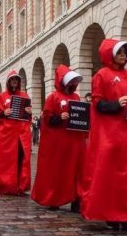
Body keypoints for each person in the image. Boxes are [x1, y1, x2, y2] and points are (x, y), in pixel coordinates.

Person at [81, 39, 127, 232]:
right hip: (111, 133)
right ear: (111, 54)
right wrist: (116, 104)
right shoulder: (101, 75)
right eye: (120, 52)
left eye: (125, 52)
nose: (123, 56)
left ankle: (126, 215)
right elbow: (98, 104)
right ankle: (109, 214)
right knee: (109, 174)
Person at [31, 65, 86, 212]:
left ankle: (76, 199)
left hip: (74, 142)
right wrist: (58, 117)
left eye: (73, 82)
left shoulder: (76, 97)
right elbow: (46, 118)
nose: (72, 84)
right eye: (70, 81)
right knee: (57, 171)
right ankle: (54, 199)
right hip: (58, 143)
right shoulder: (53, 97)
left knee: (75, 171)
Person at [0, 70, 32, 196]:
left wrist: (28, 112)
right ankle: (7, 184)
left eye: (16, 79)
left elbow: (27, 117)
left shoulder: (25, 96)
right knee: (7, 160)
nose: (14, 81)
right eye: (12, 79)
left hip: (21, 133)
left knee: (21, 157)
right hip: (7, 134)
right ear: (9, 82)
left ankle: (19, 185)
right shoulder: (2, 96)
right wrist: (3, 113)